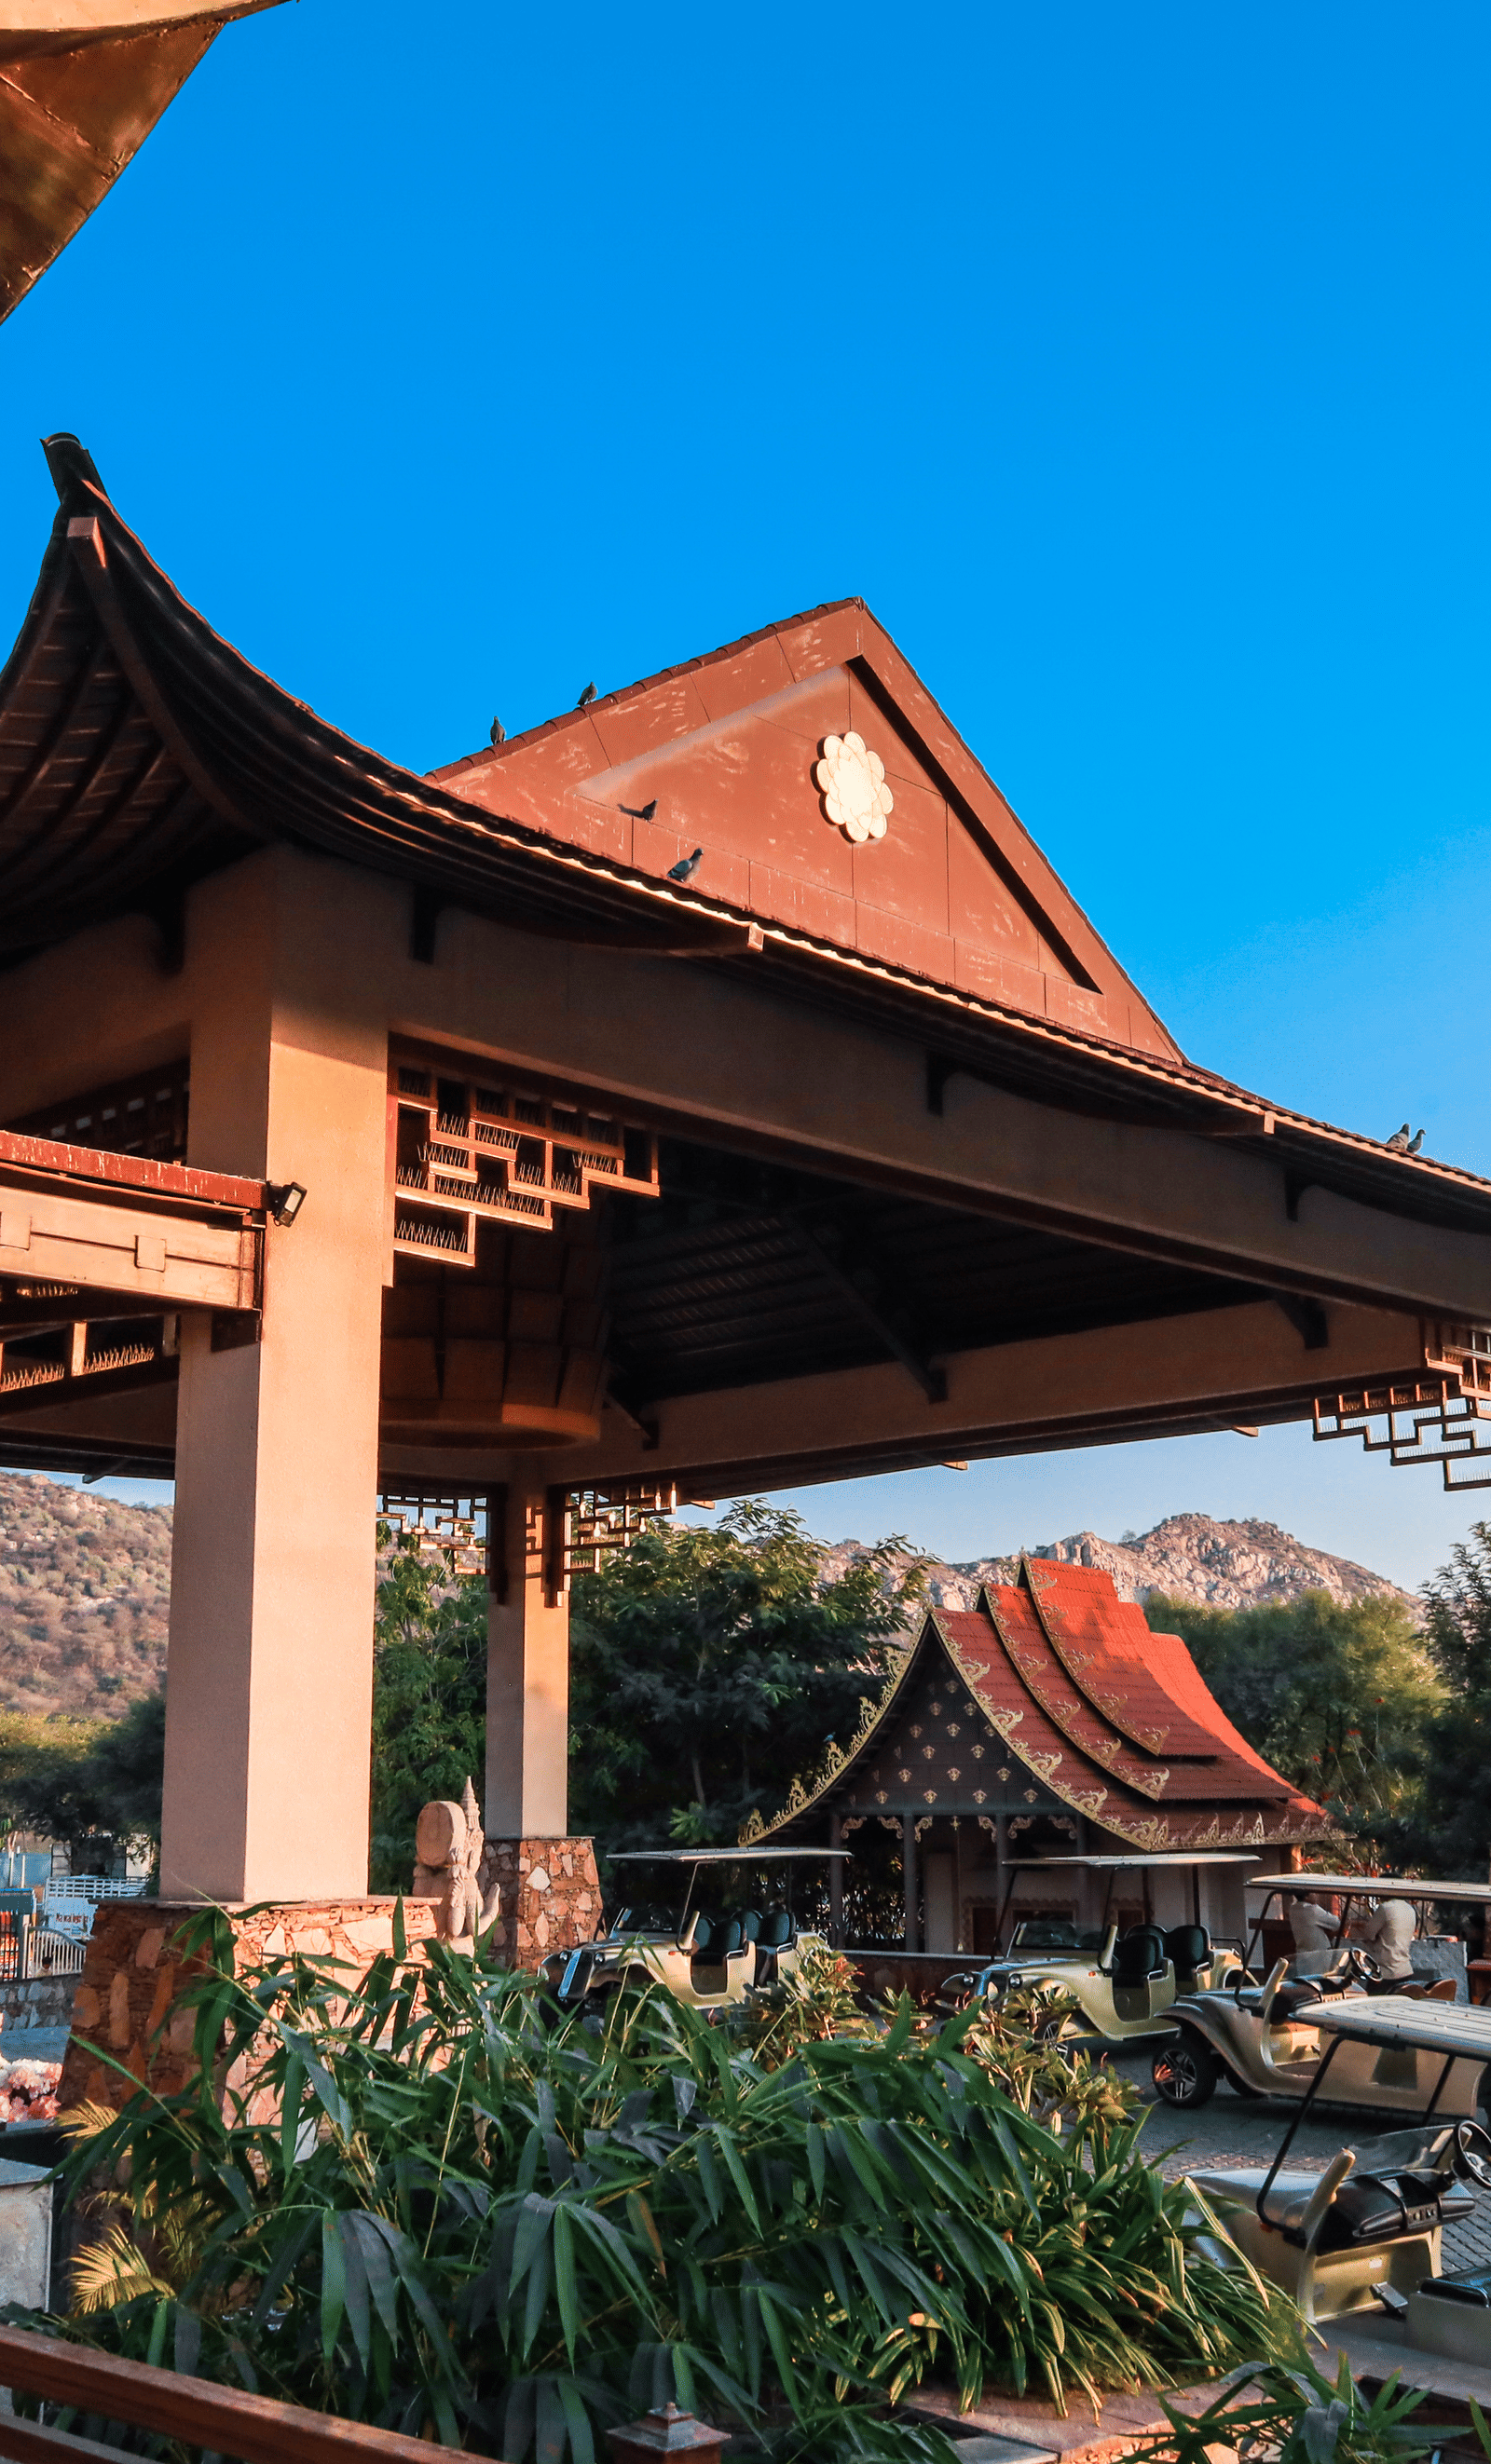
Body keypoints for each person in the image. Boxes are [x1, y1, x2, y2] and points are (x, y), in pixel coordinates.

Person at [1352, 1893, 1416, 1991]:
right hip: (1405, 1970)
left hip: (1386, 1972)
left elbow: (1369, 1933)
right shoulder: (1410, 1909)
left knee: (1375, 2002)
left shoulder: (1385, 1908)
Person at [1288, 1892, 1340, 1976]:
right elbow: (1336, 1923)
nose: (1317, 1895)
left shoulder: (1293, 1909)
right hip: (1319, 1956)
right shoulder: (1312, 1910)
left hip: (1302, 1955)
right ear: (1306, 1897)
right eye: (1314, 1893)